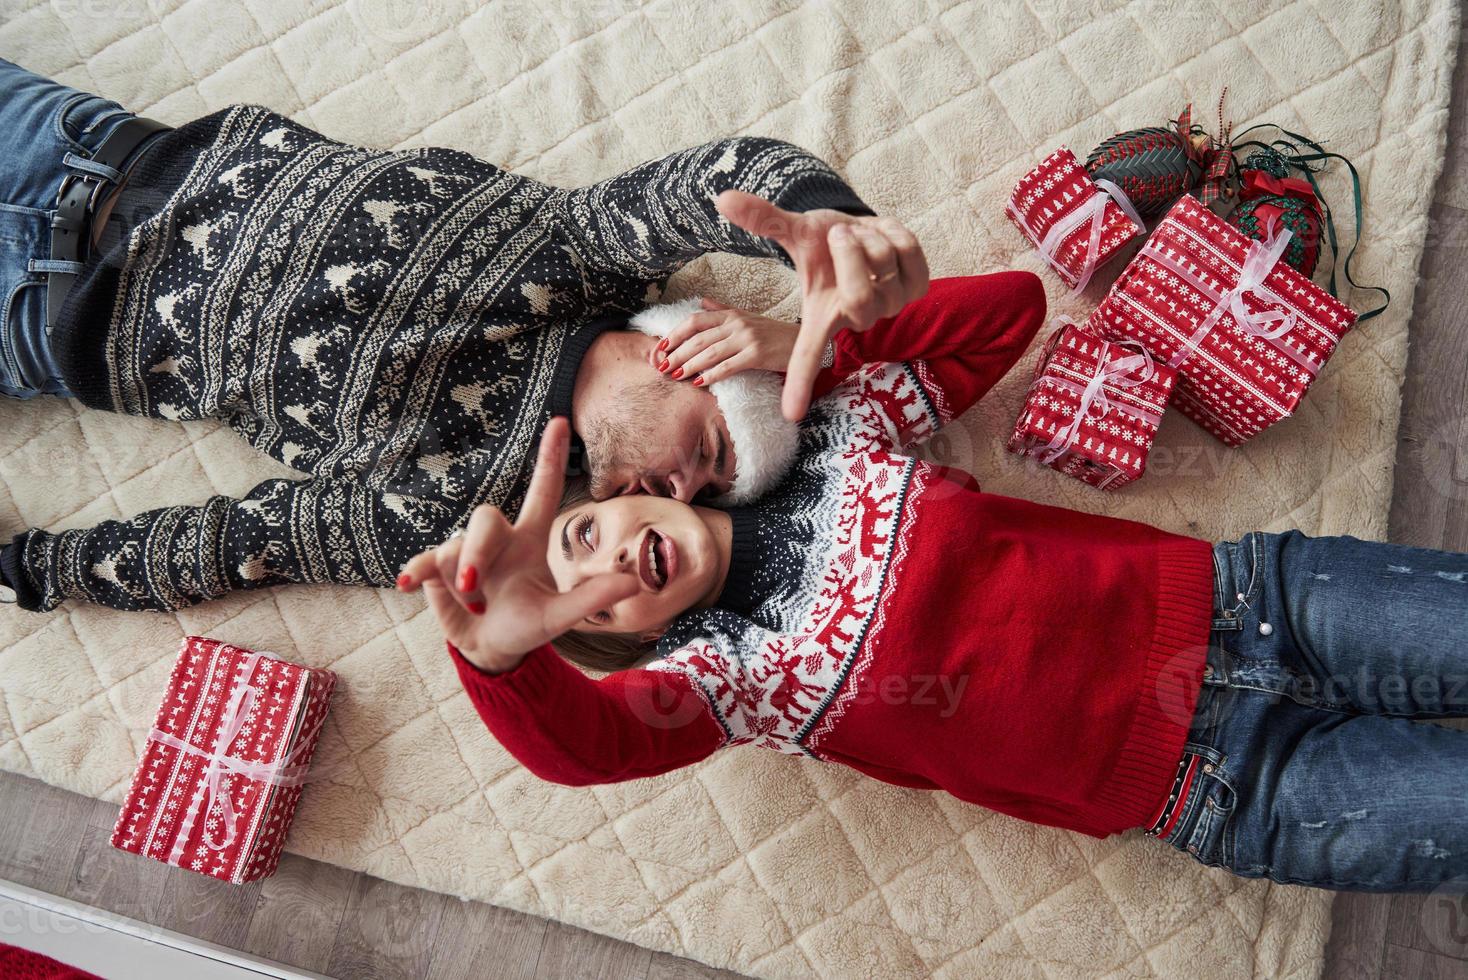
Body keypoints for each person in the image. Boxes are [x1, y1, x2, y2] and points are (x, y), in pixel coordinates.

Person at [400, 275, 1468, 893]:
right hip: (1226, 788)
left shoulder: (837, 433)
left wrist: (803, 340)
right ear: (637, 639)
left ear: (636, 488)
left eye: (580, 530)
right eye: (587, 600)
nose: (596, 566)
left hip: (1258, 600)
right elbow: (589, 745)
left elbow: (1003, 309)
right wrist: (499, 658)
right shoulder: (728, 678)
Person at [0, 57, 934, 612]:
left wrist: (32, 570)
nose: (685, 490)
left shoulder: (472, 508)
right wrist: (834, 222)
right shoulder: (587, 249)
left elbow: (249, 541)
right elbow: (724, 179)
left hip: (39, 316)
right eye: (716, 451)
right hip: (84, 144)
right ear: (691, 348)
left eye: (706, 494)